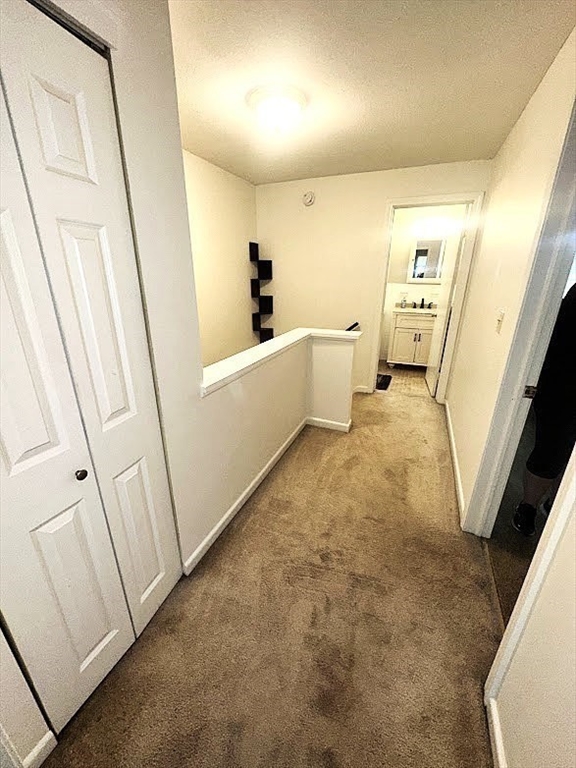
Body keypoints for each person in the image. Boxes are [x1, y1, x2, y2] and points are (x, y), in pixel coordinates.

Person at [513, 281, 576, 536]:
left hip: (560, 385)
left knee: (571, 460)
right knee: (550, 453)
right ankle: (528, 505)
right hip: (562, 389)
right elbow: (555, 340)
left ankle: (556, 504)